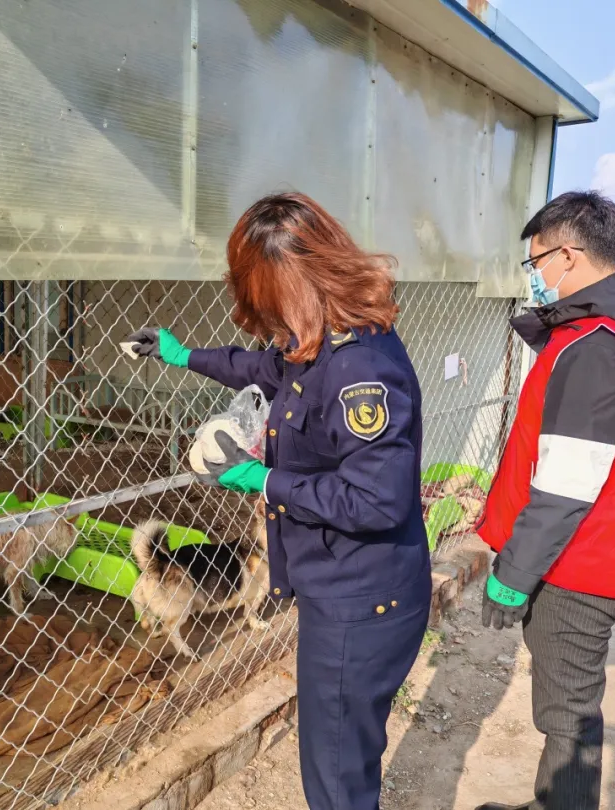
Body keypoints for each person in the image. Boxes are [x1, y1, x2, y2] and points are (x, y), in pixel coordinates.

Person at [128, 192, 431, 810]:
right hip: (345, 592)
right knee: (339, 759)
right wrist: (182, 355)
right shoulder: (319, 341)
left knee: (335, 774)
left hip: (361, 602)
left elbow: (378, 500)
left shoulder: (358, 369)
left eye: (264, 305)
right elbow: (260, 369)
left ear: (292, 287)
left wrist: (261, 480)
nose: (262, 325)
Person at [475, 191, 615, 810]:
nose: (533, 277)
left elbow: (565, 484)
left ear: (566, 254)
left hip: (579, 565)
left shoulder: (595, 347)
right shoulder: (611, 334)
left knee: (567, 714)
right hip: (591, 555)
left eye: (535, 262)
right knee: (570, 704)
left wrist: (512, 574)